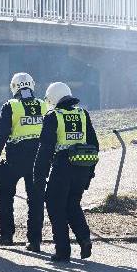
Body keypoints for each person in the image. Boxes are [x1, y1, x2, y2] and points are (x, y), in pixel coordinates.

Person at [34, 82, 99, 262]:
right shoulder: (83, 114)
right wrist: (90, 173)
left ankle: (63, 251)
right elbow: (95, 143)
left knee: (55, 206)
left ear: (53, 98)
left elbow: (45, 150)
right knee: (72, 204)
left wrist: (38, 175)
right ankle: (84, 238)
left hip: (63, 167)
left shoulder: (53, 116)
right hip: (82, 166)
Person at [0, 72, 48, 250]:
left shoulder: (11, 106)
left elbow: (1, 136)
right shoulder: (44, 105)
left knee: (5, 194)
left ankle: (6, 235)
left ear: (14, 87)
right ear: (32, 85)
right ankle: (34, 241)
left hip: (16, 159)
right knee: (36, 199)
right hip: (39, 159)